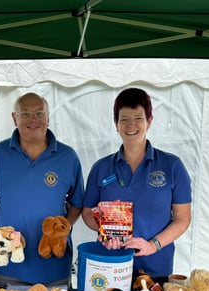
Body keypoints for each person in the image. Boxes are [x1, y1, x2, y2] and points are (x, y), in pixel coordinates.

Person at [81, 87, 192, 279]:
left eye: (138, 118)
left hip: (156, 268)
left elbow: (182, 219)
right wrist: (105, 231)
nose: (131, 125)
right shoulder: (101, 167)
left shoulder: (172, 166)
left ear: (149, 121)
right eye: (124, 119)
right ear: (116, 124)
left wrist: (152, 245)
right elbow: (87, 212)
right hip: (110, 265)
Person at [0, 92, 84, 288]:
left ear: (48, 118)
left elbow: (78, 204)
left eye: (39, 113)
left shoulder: (68, 157)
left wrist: (62, 229)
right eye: (25, 114)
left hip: (55, 265)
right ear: (14, 118)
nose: (33, 120)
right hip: (8, 265)